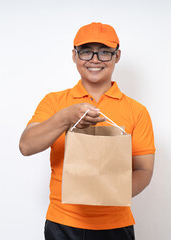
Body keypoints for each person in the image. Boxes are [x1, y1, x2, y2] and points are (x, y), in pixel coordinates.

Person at [19, 22, 156, 240]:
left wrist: (109, 192)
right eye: (85, 51)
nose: (94, 59)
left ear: (117, 56)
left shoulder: (136, 111)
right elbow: (26, 146)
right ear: (74, 56)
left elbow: (144, 170)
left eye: (104, 52)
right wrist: (65, 118)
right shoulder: (55, 102)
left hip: (116, 225)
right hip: (63, 223)